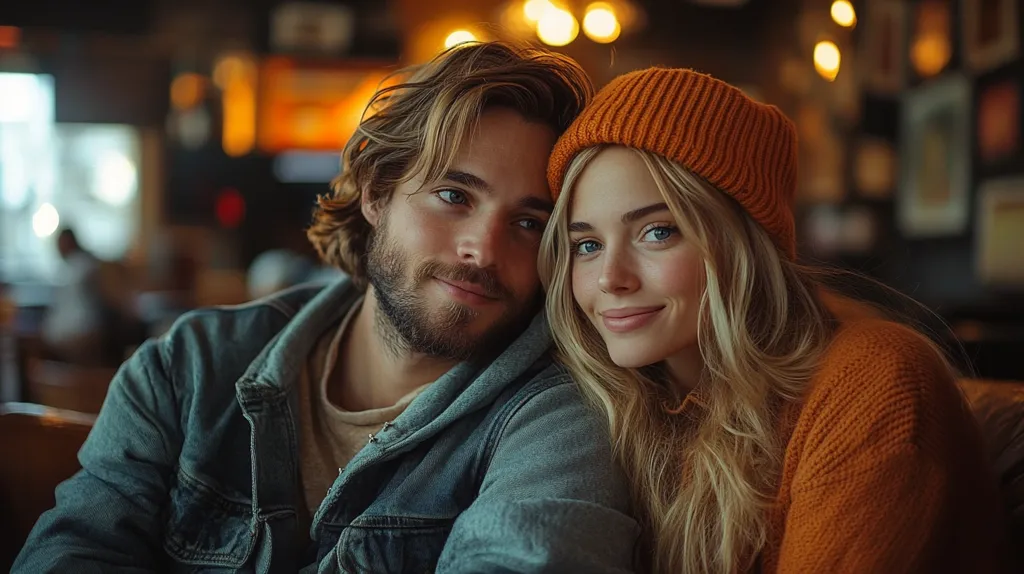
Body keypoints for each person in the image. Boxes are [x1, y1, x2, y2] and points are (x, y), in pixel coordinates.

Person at [15, 42, 638, 573]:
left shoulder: (559, 421)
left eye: (529, 223)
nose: (484, 249)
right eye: (454, 195)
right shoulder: (188, 369)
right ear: (376, 193)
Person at [539, 67, 1011, 573]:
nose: (610, 278)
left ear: (744, 243)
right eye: (587, 245)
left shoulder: (876, 381)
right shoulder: (610, 404)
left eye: (657, 232)